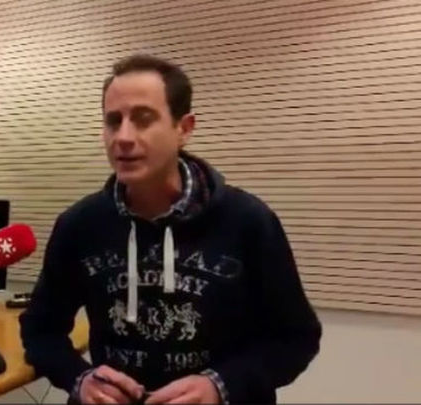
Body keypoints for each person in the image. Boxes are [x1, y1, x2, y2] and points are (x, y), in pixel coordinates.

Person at [19, 54, 321, 404]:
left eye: (143, 119)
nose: (123, 137)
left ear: (184, 129)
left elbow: (296, 339)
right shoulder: (79, 225)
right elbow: (40, 331)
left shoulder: (249, 221)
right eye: (114, 121)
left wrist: (221, 385)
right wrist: (80, 378)